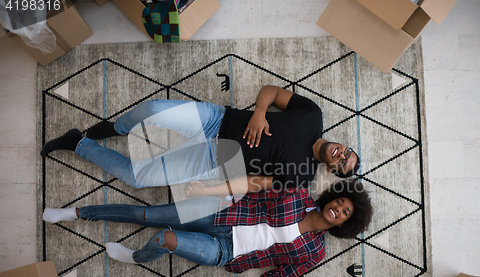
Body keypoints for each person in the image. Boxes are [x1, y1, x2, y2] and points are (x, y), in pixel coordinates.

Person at [43, 179, 373, 277]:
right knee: (146, 215)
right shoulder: (299, 196)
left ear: (345, 225)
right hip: (218, 212)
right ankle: (75, 213)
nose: (338, 209)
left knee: (165, 240)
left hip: (224, 251)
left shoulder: (314, 252)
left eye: (345, 212)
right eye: (340, 202)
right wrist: (211, 188)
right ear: (332, 197)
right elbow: (256, 184)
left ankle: (136, 258)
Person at [40, 86, 360, 195]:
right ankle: (119, 128)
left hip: (214, 160)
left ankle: (79, 143)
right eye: (348, 151)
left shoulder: (301, 178)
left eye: (343, 163)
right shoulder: (313, 116)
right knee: (152, 109)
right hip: (216, 120)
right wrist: (260, 112)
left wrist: (210, 189)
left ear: (333, 170)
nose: (342, 154)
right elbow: (272, 92)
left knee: (137, 178)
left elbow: (251, 183)